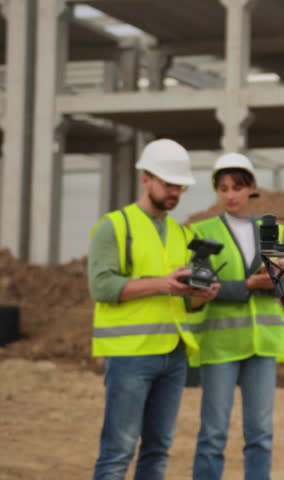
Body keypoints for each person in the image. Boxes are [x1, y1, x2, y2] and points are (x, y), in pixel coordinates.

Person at [88, 138, 219, 480]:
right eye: (168, 184)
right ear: (145, 178)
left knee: (158, 451)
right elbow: (101, 287)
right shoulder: (114, 226)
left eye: (180, 186)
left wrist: (201, 296)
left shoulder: (179, 232)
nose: (175, 192)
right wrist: (162, 283)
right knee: (118, 452)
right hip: (131, 355)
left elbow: (179, 297)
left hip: (173, 354)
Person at [189, 153, 284, 480]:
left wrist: (274, 281)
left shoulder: (270, 230)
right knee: (213, 433)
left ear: (251, 188)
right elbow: (200, 286)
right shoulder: (203, 231)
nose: (230, 194)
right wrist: (248, 284)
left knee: (260, 433)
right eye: (223, 188)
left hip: (262, 345)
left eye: (237, 187)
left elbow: (283, 286)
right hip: (220, 345)